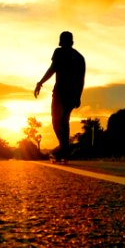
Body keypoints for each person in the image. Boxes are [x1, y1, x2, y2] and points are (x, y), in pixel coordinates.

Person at [34, 31, 86, 162]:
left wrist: (40, 83)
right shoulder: (78, 57)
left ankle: (64, 149)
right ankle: (65, 150)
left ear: (63, 42)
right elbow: (80, 80)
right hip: (66, 93)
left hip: (63, 93)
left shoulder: (65, 54)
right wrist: (40, 82)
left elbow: (53, 69)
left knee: (58, 122)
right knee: (63, 121)